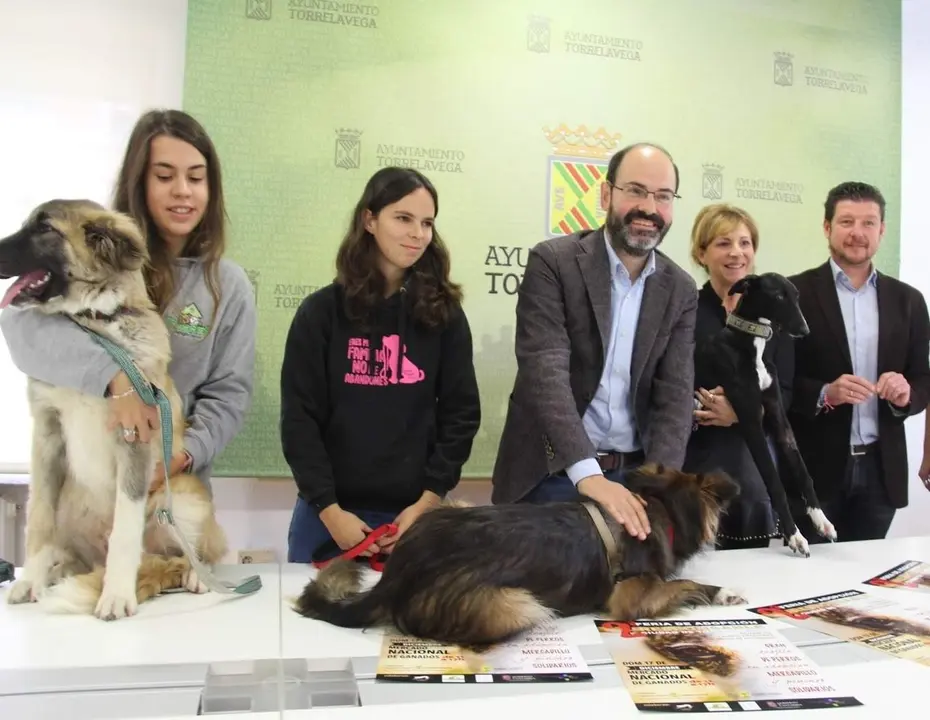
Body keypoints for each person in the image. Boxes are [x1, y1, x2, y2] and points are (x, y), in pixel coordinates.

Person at [0, 109, 256, 489]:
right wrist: (117, 379)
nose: (183, 190)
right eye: (165, 176)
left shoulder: (227, 284)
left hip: (166, 492)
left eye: (197, 178)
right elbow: (21, 327)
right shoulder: (91, 255)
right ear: (139, 182)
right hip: (84, 487)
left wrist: (181, 455)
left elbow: (228, 392)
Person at [491, 142, 697, 540]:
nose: (649, 208)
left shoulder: (681, 289)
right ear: (606, 194)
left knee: (631, 596)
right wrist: (588, 474)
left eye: (663, 197)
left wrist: (660, 487)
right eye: (635, 191)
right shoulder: (553, 262)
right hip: (551, 473)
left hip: (636, 479)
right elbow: (545, 372)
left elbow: (675, 396)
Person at [281, 166, 481, 564]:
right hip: (327, 517)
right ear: (369, 219)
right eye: (403, 218)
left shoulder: (446, 316)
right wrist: (330, 511)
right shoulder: (320, 314)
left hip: (414, 517)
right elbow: (299, 421)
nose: (417, 234)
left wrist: (427, 503)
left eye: (426, 223)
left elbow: (461, 415)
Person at [788, 181, 930, 542]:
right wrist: (824, 393)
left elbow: (923, 379)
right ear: (827, 227)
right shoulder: (794, 294)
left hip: (881, 472)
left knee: (867, 583)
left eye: (869, 223)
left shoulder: (909, 301)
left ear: (882, 230)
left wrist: (905, 394)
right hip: (814, 470)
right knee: (809, 582)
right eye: (847, 221)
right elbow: (778, 380)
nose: (857, 233)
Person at [682, 203, 791, 550]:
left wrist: (742, 412)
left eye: (745, 243)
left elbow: (785, 391)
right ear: (702, 253)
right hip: (694, 468)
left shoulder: (774, 316)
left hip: (753, 475)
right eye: (723, 243)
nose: (736, 253)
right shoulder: (684, 312)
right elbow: (667, 384)